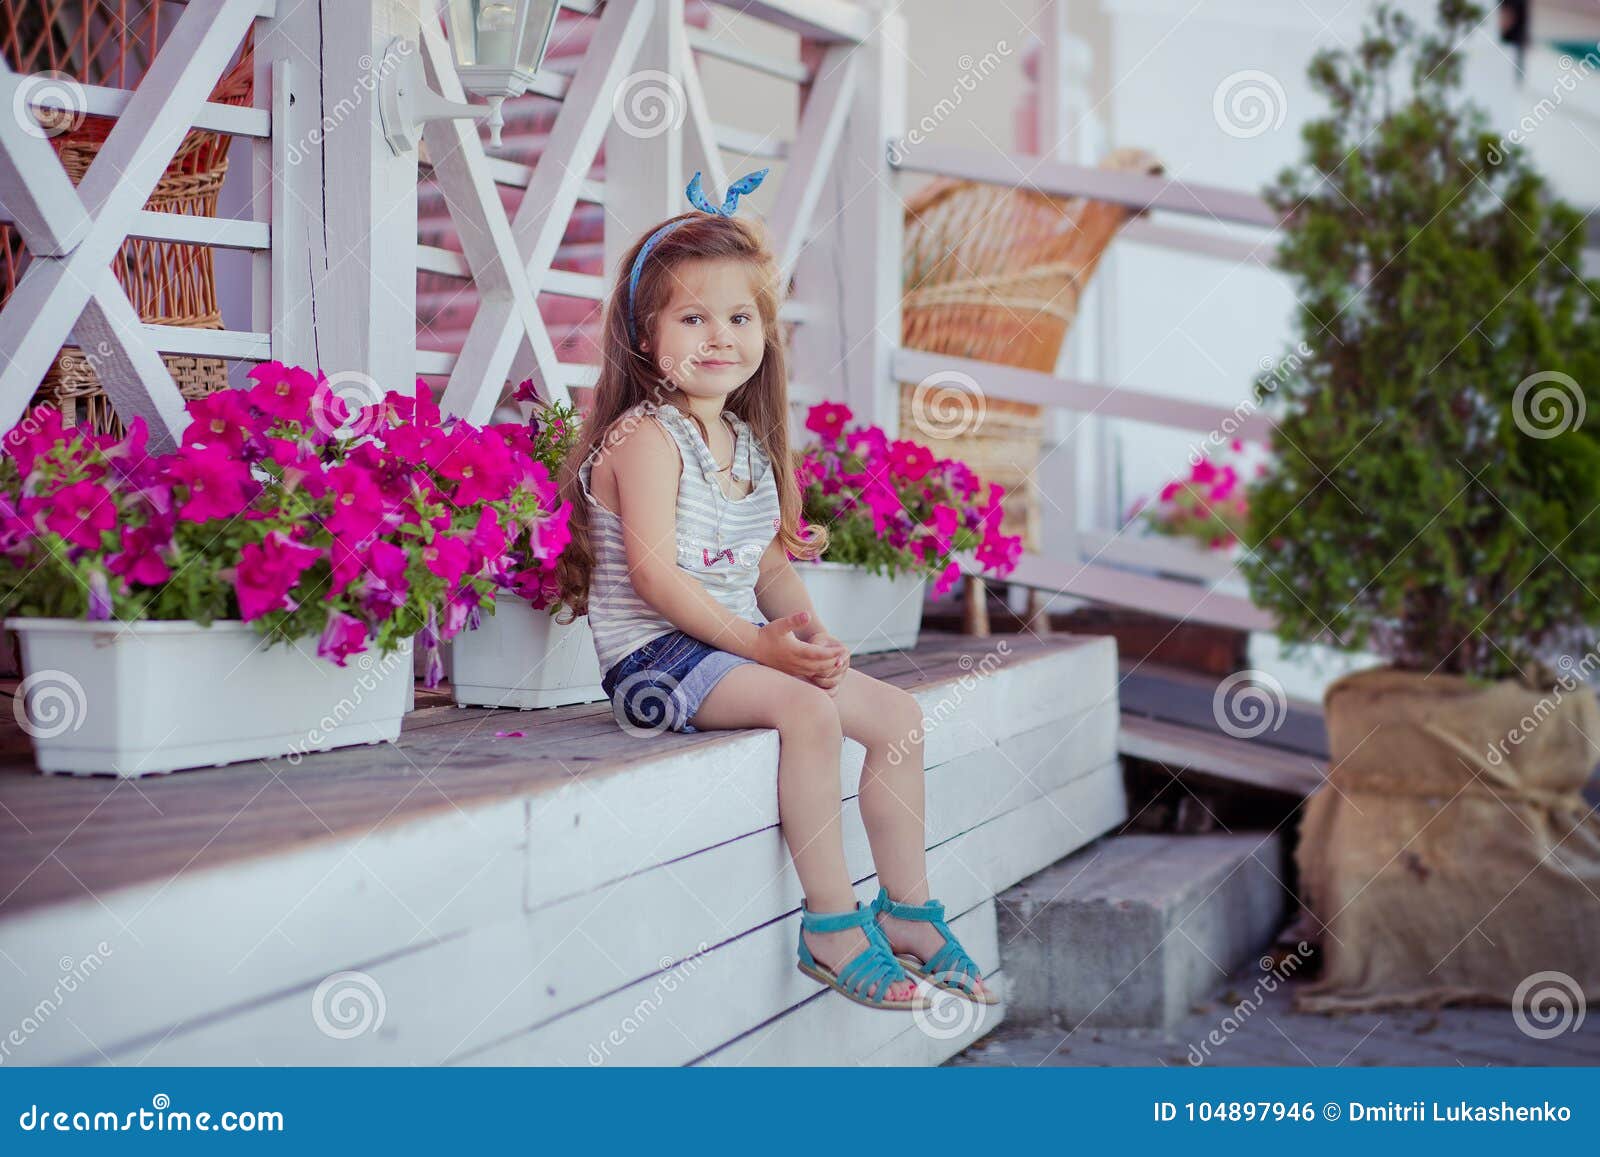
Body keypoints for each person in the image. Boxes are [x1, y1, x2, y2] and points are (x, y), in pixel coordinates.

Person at [554, 169, 995, 1012]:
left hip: (729, 647)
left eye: (739, 316)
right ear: (646, 338)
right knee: (810, 712)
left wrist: (806, 634)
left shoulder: (746, 444)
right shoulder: (646, 438)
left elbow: (766, 566)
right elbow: (654, 573)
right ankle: (831, 923)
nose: (719, 336)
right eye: (692, 317)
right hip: (656, 662)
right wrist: (762, 649)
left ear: (765, 330)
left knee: (897, 718)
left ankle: (905, 910)